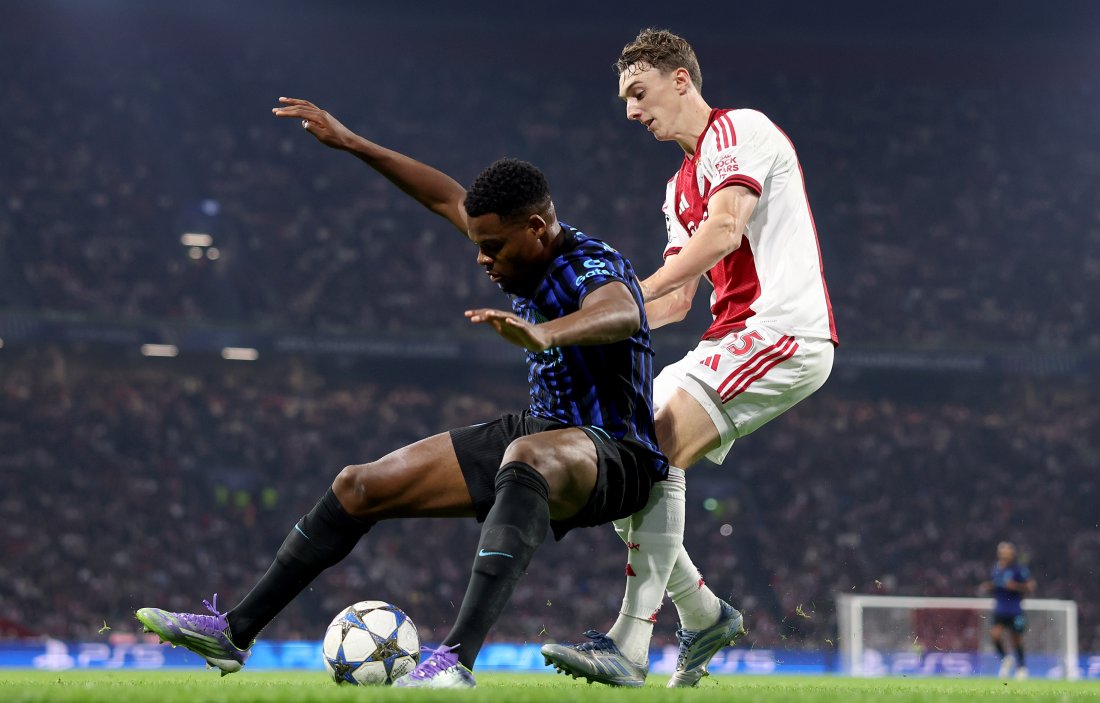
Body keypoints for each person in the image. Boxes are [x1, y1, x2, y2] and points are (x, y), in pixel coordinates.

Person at [134, 97, 668, 689]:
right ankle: (234, 631)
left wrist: (543, 332)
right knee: (358, 485)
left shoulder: (593, 263)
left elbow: (620, 312)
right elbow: (442, 195)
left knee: (525, 460)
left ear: (537, 229)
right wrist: (353, 143)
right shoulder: (512, 243)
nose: (482, 258)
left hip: (617, 454)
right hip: (543, 429)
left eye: (494, 246)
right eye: (476, 242)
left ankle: (454, 661)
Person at [541, 28, 837, 687]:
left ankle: (629, 644)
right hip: (728, 338)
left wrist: (626, 294)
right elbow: (674, 301)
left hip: (781, 331)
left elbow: (728, 228)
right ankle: (702, 613)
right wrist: (589, 328)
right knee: (622, 461)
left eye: (638, 92)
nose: (630, 111)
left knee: (655, 450)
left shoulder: (737, 131)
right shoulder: (678, 190)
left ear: (681, 80)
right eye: (624, 99)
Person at [979, 541, 1036, 680]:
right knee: (995, 636)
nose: (1004, 555)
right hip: (1000, 609)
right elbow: (998, 583)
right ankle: (1006, 659)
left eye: (1007, 553)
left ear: (1012, 554)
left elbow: (1031, 586)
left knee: (1015, 640)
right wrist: (989, 586)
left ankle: (1021, 668)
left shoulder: (1019, 569)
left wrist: (1015, 586)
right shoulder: (996, 568)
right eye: (1002, 553)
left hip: (1015, 610)